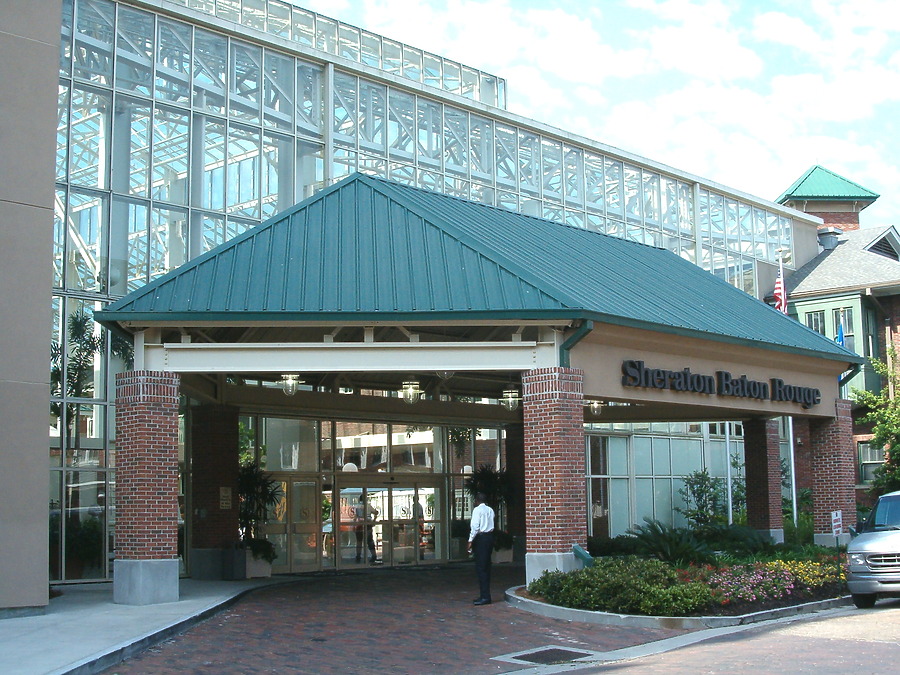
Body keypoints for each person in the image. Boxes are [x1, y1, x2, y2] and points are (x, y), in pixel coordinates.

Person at [467, 492, 495, 605]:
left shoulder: (477, 510)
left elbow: (475, 526)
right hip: (490, 537)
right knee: (486, 566)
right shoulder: (490, 510)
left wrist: (470, 540)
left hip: (481, 538)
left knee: (481, 568)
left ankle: (485, 596)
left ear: (477, 500)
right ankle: (485, 595)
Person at [354, 495, 378, 563]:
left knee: (359, 541)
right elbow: (376, 512)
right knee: (369, 540)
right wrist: (374, 519)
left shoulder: (357, 506)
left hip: (359, 524)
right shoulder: (368, 506)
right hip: (368, 523)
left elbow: (355, 516)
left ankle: (358, 556)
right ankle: (373, 555)